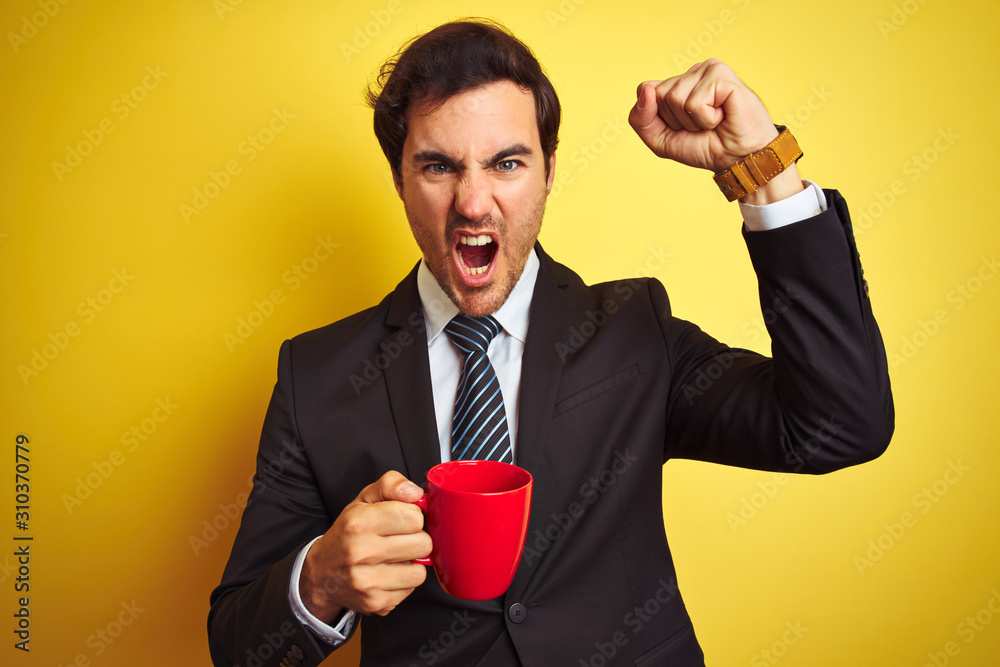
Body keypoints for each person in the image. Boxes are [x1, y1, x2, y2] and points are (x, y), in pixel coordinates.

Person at [208, 18, 893, 667]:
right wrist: (320, 582)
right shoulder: (316, 374)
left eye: (506, 163)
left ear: (549, 168)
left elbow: (837, 427)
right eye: (439, 166)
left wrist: (765, 171)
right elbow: (238, 643)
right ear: (398, 179)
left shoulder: (635, 330)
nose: (474, 204)